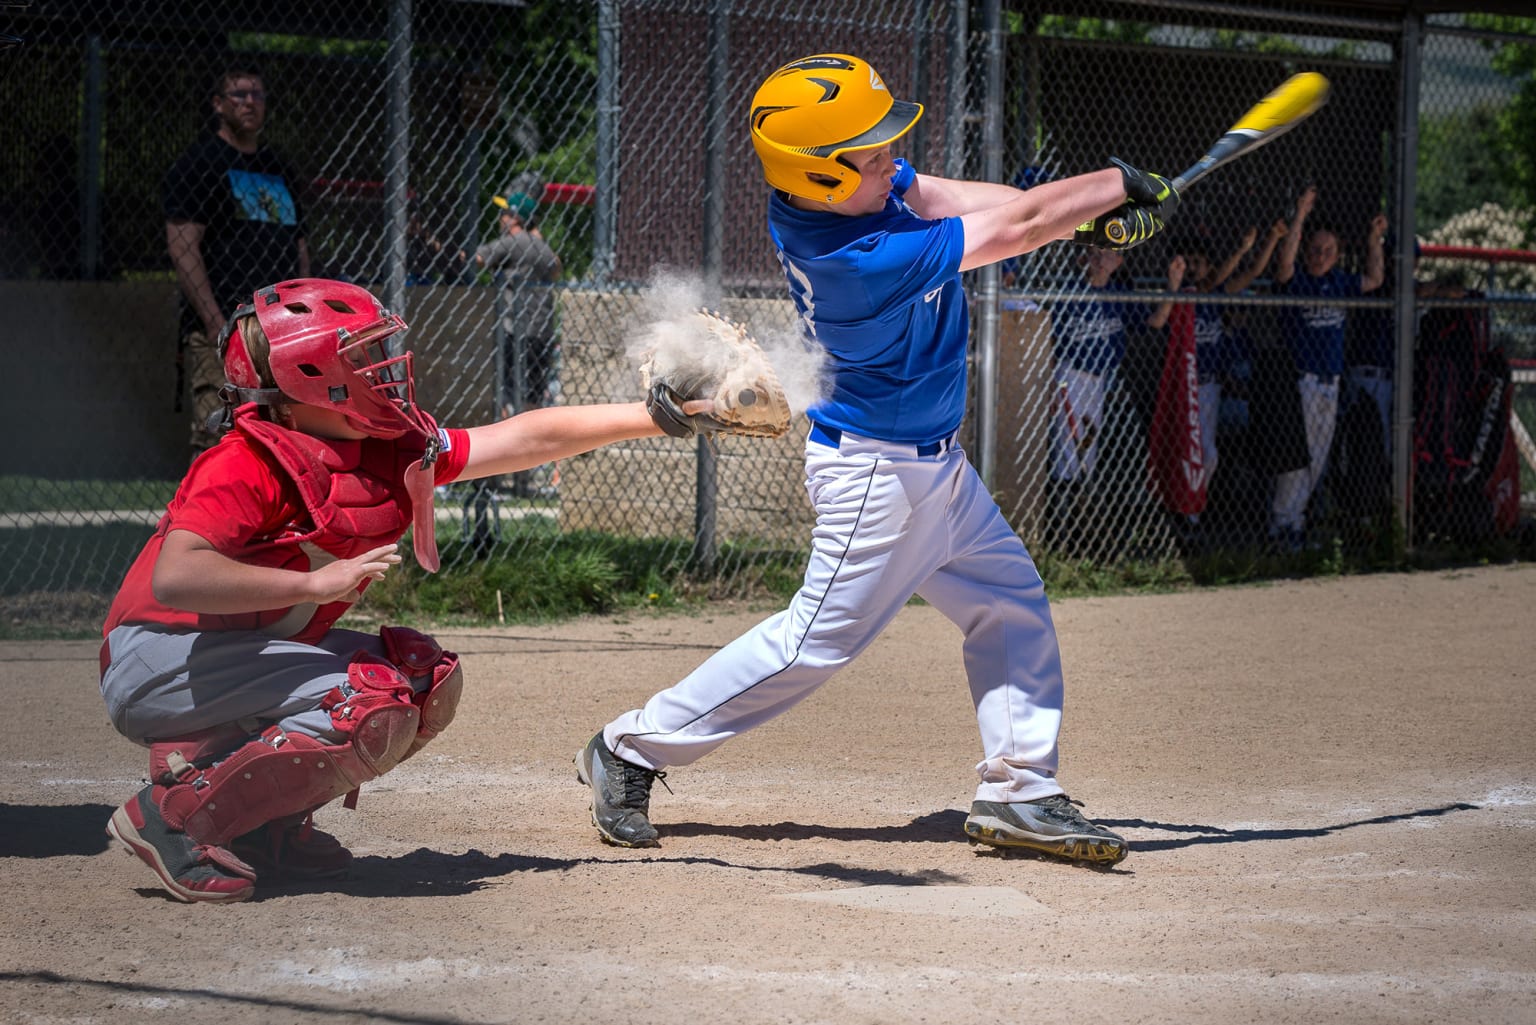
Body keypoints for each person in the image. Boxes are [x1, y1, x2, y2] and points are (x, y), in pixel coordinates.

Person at [574, 52, 1175, 866]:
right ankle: (627, 747)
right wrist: (1110, 186)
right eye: (872, 152)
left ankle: (1020, 788)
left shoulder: (851, 190)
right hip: (878, 478)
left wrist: (1084, 218)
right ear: (817, 174)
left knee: (1009, 602)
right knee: (808, 645)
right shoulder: (857, 262)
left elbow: (960, 200)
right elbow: (1018, 228)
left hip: (936, 468)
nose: (891, 160)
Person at [100, 277, 715, 903]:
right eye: (358, 356)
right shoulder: (244, 461)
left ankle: (261, 827)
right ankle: (174, 818)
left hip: (237, 657)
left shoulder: (383, 448)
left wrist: (658, 417)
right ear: (308, 376)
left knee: (422, 679)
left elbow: (524, 439)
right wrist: (312, 583)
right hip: (158, 659)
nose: (381, 367)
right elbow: (177, 575)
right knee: (368, 702)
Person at [163, 69, 310, 457]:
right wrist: (215, 321)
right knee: (219, 436)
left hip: (277, 329)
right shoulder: (199, 164)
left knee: (284, 436)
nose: (250, 102)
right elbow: (183, 247)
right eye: (239, 95)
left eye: (258, 95)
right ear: (218, 104)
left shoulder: (278, 166)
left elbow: (299, 246)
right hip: (223, 323)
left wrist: (302, 315)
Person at [1269, 186, 1386, 550]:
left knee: (1317, 459)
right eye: (1316, 250)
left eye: (1328, 251)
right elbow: (1284, 266)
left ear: (1338, 254)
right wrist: (1301, 216)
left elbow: (1375, 279)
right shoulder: (1298, 281)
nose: (1320, 256)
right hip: (1302, 382)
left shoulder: (1339, 281)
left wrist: (1374, 240)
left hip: (1330, 383)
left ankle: (1296, 522)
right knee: (1297, 458)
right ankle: (1282, 525)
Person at [1144, 222, 1286, 511]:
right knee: (1182, 450)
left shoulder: (1214, 297)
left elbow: (1252, 273)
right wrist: (1239, 251)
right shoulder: (1175, 296)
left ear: (1209, 266)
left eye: (1198, 263)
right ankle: (1178, 508)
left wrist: (1268, 240)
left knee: (1208, 456)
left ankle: (1191, 508)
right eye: (1188, 263)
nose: (1192, 269)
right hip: (1182, 386)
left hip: (1209, 387)